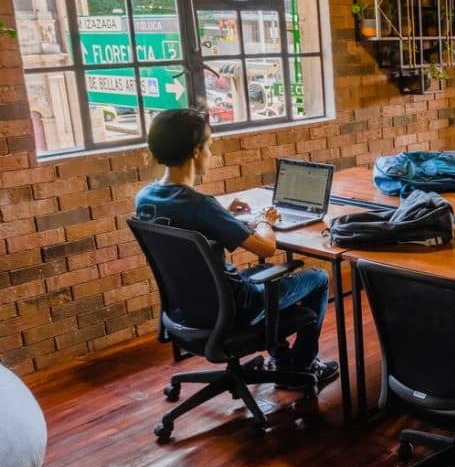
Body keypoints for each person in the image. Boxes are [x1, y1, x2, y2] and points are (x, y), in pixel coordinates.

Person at [134, 108, 339, 388]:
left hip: (188, 309)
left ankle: (282, 360)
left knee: (267, 273)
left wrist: (222, 213)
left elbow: (187, 222)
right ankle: (300, 366)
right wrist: (263, 220)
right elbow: (265, 248)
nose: (210, 152)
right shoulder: (201, 205)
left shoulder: (145, 198)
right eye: (209, 146)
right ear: (196, 152)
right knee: (318, 277)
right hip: (235, 308)